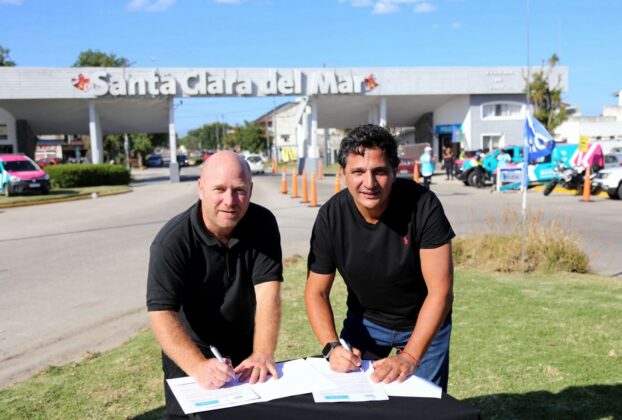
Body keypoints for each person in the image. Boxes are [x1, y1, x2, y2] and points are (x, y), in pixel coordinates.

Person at [304, 124, 455, 392]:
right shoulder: (330, 217)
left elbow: (440, 292)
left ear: (395, 171)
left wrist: (410, 357)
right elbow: (316, 292)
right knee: (358, 399)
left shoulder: (424, 205)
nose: (369, 183)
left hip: (423, 320)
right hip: (366, 322)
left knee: (423, 404)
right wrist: (332, 347)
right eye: (358, 172)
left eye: (380, 171)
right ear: (343, 173)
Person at [147, 151, 283, 418]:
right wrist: (198, 367)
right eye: (219, 189)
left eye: (239, 190)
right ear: (201, 188)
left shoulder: (263, 223)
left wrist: (263, 352)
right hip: (191, 352)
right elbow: (162, 314)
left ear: (251, 190)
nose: (229, 201)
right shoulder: (172, 242)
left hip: (245, 348)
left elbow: (268, 292)